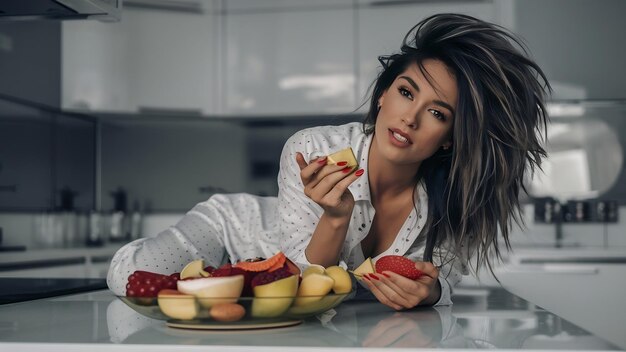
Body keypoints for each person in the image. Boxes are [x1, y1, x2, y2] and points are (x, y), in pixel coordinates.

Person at [107, 13, 549, 310]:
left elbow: (441, 281)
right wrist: (336, 217)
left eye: (437, 113)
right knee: (132, 280)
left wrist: (431, 292)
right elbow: (301, 283)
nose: (409, 117)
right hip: (235, 235)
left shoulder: (459, 202)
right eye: (406, 91)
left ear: (451, 139)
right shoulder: (316, 147)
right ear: (383, 94)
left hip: (292, 313)